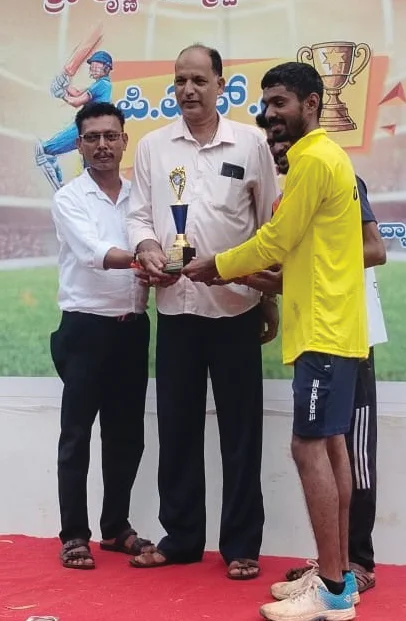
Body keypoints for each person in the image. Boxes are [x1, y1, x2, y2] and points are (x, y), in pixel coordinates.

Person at [183, 61, 368, 621]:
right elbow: (310, 253)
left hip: (325, 330)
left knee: (309, 447)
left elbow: (275, 240)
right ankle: (337, 573)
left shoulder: (313, 160)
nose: (270, 114)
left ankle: (332, 589)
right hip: (333, 325)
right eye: (266, 104)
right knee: (330, 446)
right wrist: (265, 280)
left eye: (280, 102)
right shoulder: (327, 158)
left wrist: (217, 265)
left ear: (312, 104)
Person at [126, 44, 279, 579]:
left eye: (197, 80)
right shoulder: (153, 147)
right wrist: (147, 246)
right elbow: (139, 216)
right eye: (179, 80)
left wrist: (267, 298)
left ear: (220, 84)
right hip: (176, 310)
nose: (187, 90)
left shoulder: (251, 143)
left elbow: (268, 227)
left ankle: (241, 546)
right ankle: (183, 538)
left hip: (236, 309)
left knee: (241, 435)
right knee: (177, 430)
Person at [249, 116, 387, 595]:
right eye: (271, 141)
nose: (278, 147)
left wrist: (300, 265)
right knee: (330, 445)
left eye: (283, 136)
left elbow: (374, 248)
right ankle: (336, 566)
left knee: (349, 449)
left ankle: (356, 562)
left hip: (349, 331)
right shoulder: (291, 190)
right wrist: (280, 277)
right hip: (322, 328)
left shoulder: (339, 175)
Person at [50, 101, 153, 570]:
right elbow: (93, 251)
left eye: (111, 136)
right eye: (92, 137)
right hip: (85, 328)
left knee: (126, 435)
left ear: (124, 141)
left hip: (132, 329)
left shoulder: (140, 197)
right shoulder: (69, 198)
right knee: (76, 435)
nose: (102, 145)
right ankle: (74, 534)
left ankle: (115, 527)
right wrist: (143, 259)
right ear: (80, 144)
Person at [36, 51, 113, 191]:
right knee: (90, 175)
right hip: (93, 132)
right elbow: (78, 93)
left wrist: (62, 94)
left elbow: (77, 101)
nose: (92, 68)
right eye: (92, 65)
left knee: (44, 150)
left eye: (96, 65)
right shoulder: (100, 84)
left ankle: (60, 190)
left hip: (88, 127)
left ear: (106, 67)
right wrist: (65, 86)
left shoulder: (103, 84)